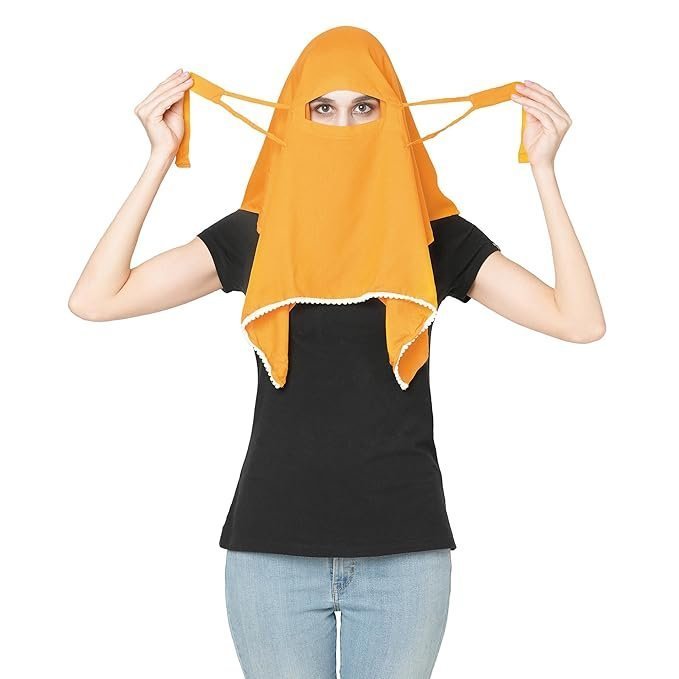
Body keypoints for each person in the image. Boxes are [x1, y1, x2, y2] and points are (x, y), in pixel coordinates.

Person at [68, 25, 605, 679]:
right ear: (293, 118)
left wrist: (544, 172)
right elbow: (97, 298)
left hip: (406, 555)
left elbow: (579, 321)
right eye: (322, 107)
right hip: (270, 554)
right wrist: (159, 157)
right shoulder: (256, 234)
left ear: (393, 116)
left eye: (364, 107)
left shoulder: (434, 239)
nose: (343, 125)